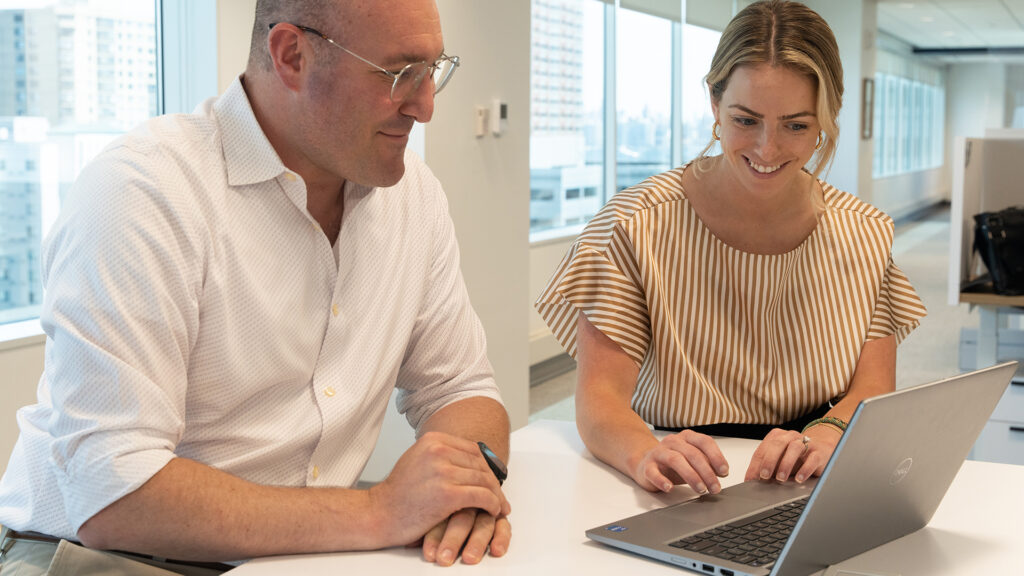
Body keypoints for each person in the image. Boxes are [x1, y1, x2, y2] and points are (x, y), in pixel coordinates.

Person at [0, 0, 511, 572]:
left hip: (299, 553)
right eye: (398, 74)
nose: (426, 106)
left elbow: (461, 389)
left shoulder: (413, 196)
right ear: (291, 55)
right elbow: (113, 490)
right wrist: (377, 511)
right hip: (102, 557)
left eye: (433, 70)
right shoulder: (142, 192)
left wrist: (462, 496)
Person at [535, 0, 927, 498]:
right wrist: (645, 454)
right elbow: (601, 401)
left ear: (827, 119)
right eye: (746, 120)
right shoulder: (635, 226)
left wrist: (828, 431)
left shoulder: (864, 231)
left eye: (796, 125)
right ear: (714, 103)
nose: (767, 148)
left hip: (815, 470)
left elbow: (872, 387)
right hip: (685, 475)